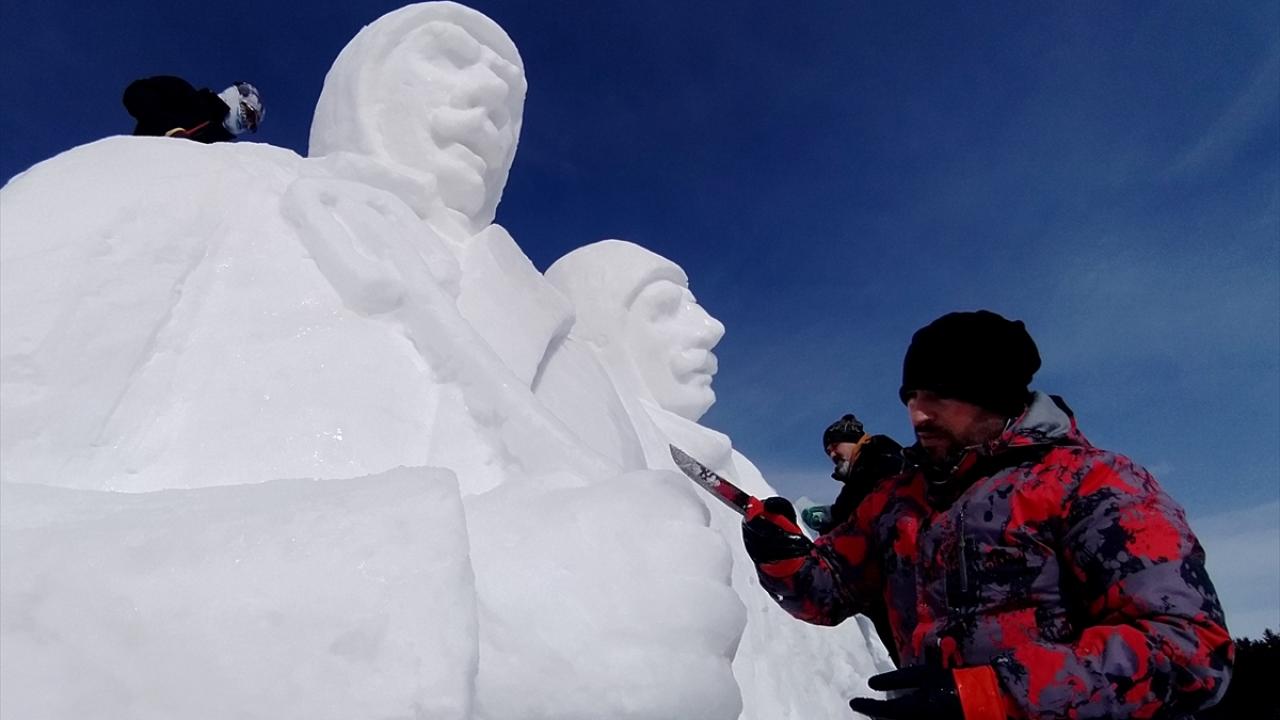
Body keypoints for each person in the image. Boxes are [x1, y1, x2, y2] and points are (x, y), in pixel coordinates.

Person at [742, 310, 1233, 719]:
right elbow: (825, 592)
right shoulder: (899, 499)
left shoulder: (1093, 483)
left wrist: (991, 696)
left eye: (937, 396)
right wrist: (781, 555)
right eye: (911, 398)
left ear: (993, 394)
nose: (917, 415)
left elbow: (1189, 651)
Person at [123, 76, 263, 142]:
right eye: (249, 114)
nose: (247, 123)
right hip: (138, 164)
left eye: (251, 126)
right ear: (236, 96)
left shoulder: (220, 152)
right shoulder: (184, 94)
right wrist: (170, 129)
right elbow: (136, 92)